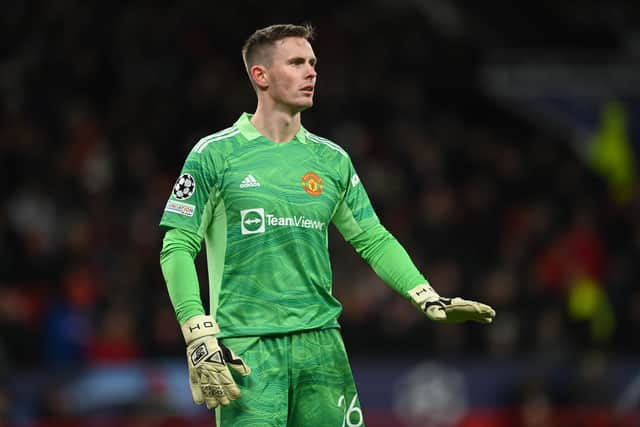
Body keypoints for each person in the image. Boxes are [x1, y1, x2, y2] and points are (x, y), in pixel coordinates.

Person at [159, 23, 496, 427]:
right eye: (297, 62)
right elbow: (177, 245)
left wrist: (424, 295)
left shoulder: (332, 161)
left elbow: (372, 238)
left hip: (321, 347)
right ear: (260, 76)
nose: (311, 72)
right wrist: (197, 331)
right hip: (248, 350)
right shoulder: (215, 155)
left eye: (313, 63)